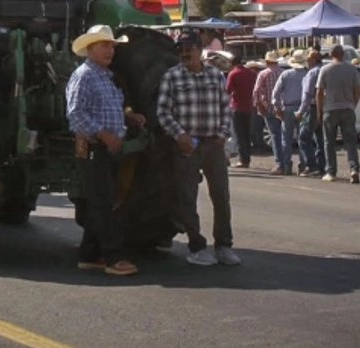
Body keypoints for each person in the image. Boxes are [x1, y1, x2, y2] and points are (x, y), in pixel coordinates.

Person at [65, 25, 145, 276]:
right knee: (102, 202)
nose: (111, 50)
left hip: (105, 147)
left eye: (112, 45)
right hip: (93, 147)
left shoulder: (105, 76)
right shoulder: (85, 75)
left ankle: (89, 255)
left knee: (101, 200)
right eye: (105, 45)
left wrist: (129, 119)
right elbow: (76, 114)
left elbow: (105, 110)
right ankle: (112, 258)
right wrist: (103, 134)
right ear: (90, 48)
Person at [157, 34, 240, 267]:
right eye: (181, 49)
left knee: (221, 195)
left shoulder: (215, 75)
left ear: (200, 50)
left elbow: (226, 108)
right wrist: (179, 135)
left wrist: (223, 135)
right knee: (187, 197)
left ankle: (224, 245)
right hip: (187, 145)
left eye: (189, 48)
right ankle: (197, 246)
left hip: (213, 143)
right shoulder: (171, 77)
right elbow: (163, 112)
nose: (184, 52)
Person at [316, 44, 360, 183]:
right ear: (343, 54)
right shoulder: (351, 69)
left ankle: (331, 171)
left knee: (329, 142)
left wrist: (319, 110)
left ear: (331, 55)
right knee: (350, 141)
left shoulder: (325, 69)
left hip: (330, 108)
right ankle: (354, 169)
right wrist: (353, 103)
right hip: (347, 107)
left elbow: (319, 92)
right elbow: (357, 89)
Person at [272, 50, 307, 175]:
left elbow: (275, 94)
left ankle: (286, 166)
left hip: (288, 107)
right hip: (303, 107)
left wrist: (277, 109)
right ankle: (303, 165)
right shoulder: (307, 75)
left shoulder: (286, 74)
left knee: (286, 139)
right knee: (302, 138)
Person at [252, 51, 284, 175]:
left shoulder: (263, 74)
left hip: (268, 108)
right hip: (282, 108)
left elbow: (256, 92)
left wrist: (258, 106)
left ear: (267, 62)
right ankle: (285, 162)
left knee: (275, 136)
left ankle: (279, 163)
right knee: (284, 136)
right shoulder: (283, 73)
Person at [296, 48, 325, 177]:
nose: (307, 61)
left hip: (312, 108)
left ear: (313, 60)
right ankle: (321, 166)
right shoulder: (324, 70)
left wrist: (301, 112)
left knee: (304, 138)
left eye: (308, 59)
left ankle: (311, 166)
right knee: (320, 138)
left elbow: (307, 95)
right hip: (324, 107)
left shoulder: (312, 73)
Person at [225, 55, 257, 168]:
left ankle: (243, 160)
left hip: (237, 106)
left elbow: (227, 90)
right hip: (249, 106)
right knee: (247, 134)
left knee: (239, 134)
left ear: (231, 63)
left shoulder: (233, 74)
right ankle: (247, 157)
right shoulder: (251, 73)